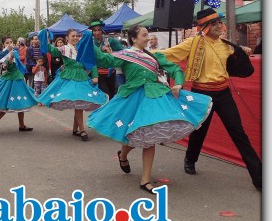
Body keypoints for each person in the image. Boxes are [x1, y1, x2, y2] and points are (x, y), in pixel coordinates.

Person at [87, 25, 213, 194]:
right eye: (144, 35)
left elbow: (175, 68)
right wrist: (89, 42)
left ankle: (145, 180)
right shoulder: (125, 55)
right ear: (134, 38)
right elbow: (104, 60)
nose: (147, 38)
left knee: (150, 136)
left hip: (154, 96)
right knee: (134, 134)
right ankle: (123, 155)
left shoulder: (155, 56)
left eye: (148, 35)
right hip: (133, 97)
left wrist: (178, 84)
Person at [160, 8, 262, 191]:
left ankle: (260, 178)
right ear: (206, 27)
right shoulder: (193, 43)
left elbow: (238, 66)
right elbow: (166, 55)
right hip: (202, 93)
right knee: (199, 130)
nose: (219, 26)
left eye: (220, 23)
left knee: (238, 133)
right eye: (214, 24)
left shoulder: (226, 45)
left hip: (223, 93)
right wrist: (140, 54)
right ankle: (190, 160)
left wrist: (241, 51)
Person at [37, 28, 108, 141]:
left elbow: (91, 61)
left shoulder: (82, 49)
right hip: (69, 78)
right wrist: (43, 36)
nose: (75, 38)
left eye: (77, 36)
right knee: (78, 102)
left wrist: (95, 76)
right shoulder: (64, 49)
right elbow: (50, 49)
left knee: (79, 102)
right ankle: (82, 130)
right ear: (67, 38)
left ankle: (76, 129)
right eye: (73, 36)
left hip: (82, 77)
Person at [0, 36, 38, 134]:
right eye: (7, 42)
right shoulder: (3, 54)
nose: (10, 44)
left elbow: (20, 65)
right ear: (4, 44)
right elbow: (6, 66)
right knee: (5, 104)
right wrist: (11, 58)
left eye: (11, 42)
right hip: (10, 81)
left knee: (21, 102)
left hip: (18, 79)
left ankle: (21, 125)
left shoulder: (15, 51)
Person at [89, 20, 124, 99]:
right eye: (94, 30)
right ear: (92, 32)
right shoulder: (90, 43)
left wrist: (110, 52)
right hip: (97, 74)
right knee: (104, 96)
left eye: (99, 30)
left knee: (113, 96)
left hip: (111, 73)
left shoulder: (110, 41)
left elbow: (122, 53)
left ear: (102, 30)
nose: (97, 32)